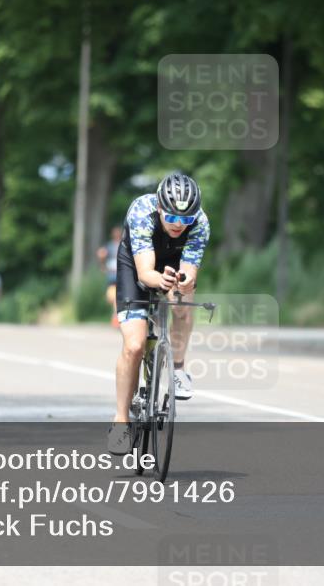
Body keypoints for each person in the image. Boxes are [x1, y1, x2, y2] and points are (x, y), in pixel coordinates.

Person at [107, 172, 210, 454]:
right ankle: (121, 419)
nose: (179, 224)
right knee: (134, 345)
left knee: (183, 306)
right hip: (137, 264)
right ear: (160, 208)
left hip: (174, 261)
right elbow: (145, 273)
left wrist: (184, 283)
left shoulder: (200, 223)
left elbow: (189, 271)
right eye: (172, 217)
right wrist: (159, 280)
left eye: (186, 219)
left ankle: (178, 368)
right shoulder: (142, 211)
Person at [96, 226, 121, 327]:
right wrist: (103, 265)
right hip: (112, 276)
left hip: (121, 275)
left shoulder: (123, 244)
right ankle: (116, 316)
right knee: (112, 297)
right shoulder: (109, 246)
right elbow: (101, 254)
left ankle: (116, 317)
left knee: (116, 297)